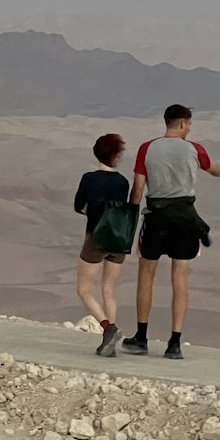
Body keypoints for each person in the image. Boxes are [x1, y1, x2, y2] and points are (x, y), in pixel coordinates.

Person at [122, 104, 220, 360]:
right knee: (180, 280)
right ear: (183, 123)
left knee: (146, 275)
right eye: (190, 124)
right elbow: (213, 170)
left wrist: (129, 217)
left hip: (156, 220)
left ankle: (141, 337)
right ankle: (175, 343)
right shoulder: (195, 149)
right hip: (184, 221)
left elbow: (137, 188)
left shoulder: (147, 148)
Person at [73, 133, 130, 357]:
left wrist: (92, 212)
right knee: (108, 289)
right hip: (118, 239)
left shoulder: (89, 178)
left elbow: (79, 205)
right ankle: (110, 342)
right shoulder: (122, 182)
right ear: (116, 155)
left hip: (96, 238)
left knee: (84, 289)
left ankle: (108, 328)